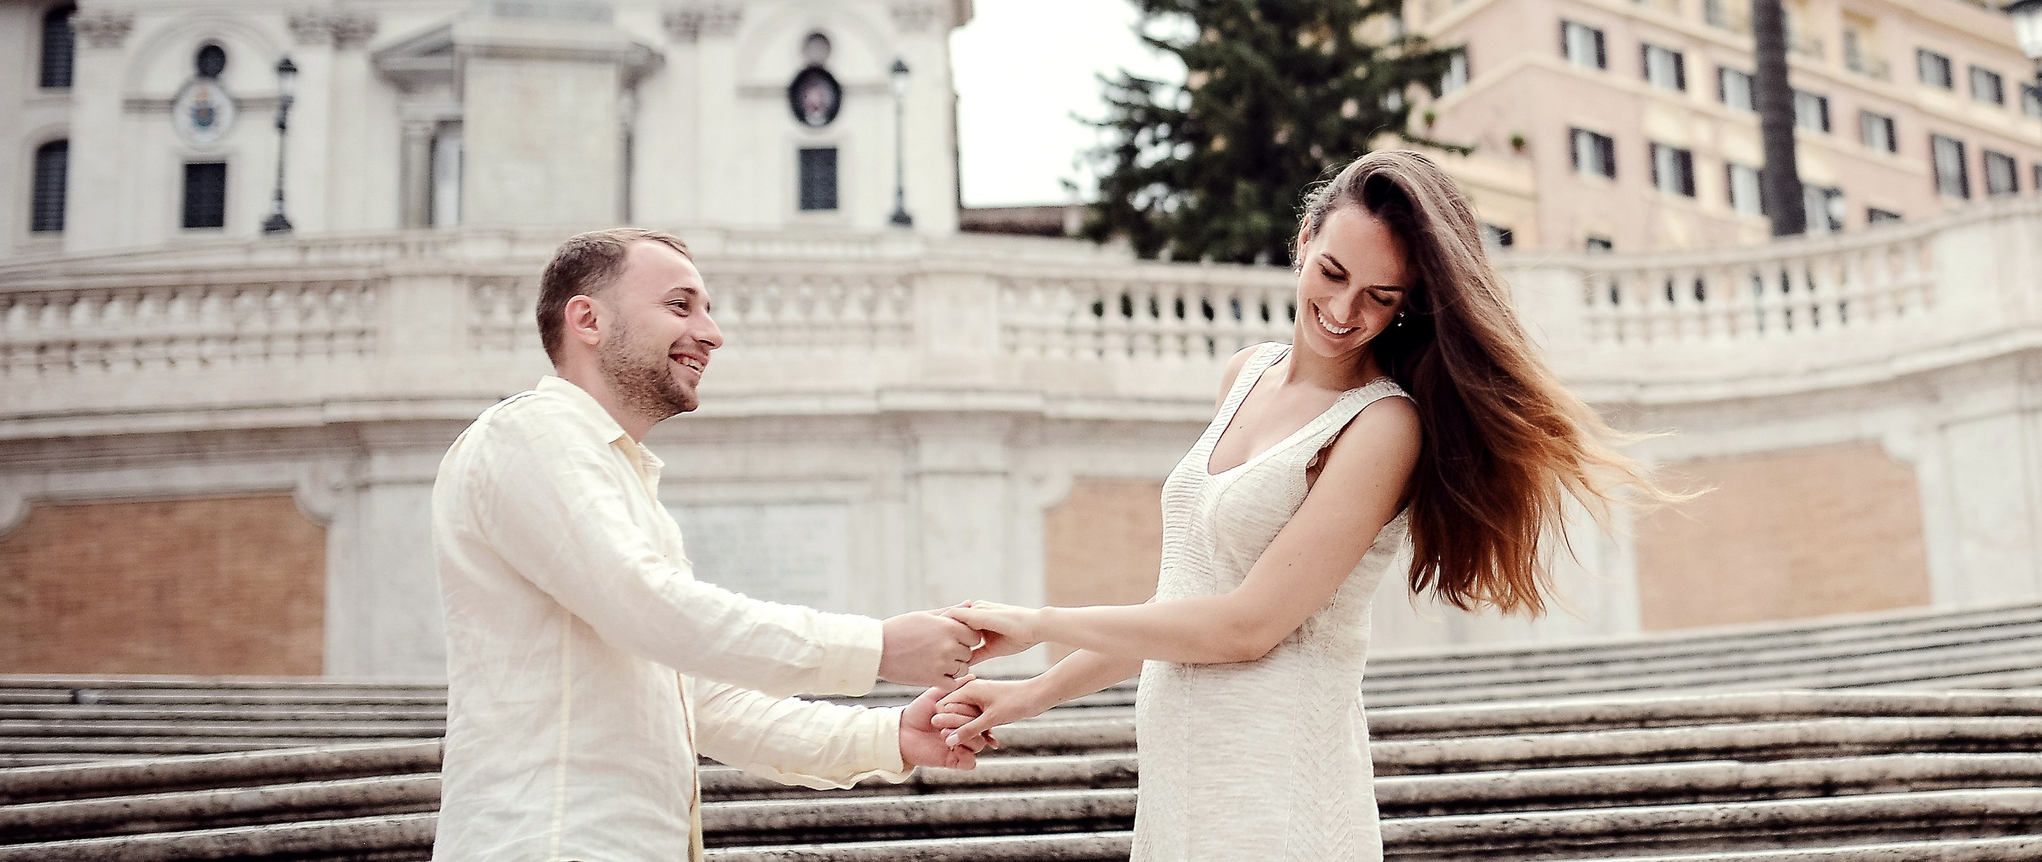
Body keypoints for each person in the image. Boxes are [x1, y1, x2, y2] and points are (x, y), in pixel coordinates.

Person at [935, 149, 1659, 860]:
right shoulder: (1244, 373)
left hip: (1277, 782)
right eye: (1333, 273)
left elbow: (1248, 624)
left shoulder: (1383, 425)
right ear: (1304, 239)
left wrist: (1039, 621)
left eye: (1381, 296)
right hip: (1186, 774)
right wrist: (1032, 693)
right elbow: (1185, 600)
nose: (1345, 310)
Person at [432, 226, 982, 862]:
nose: (712, 334)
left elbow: (700, 699)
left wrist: (891, 736)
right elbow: (653, 608)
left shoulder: (611, 472)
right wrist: (879, 648)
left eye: (708, 311)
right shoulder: (527, 435)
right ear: (587, 319)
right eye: (679, 305)